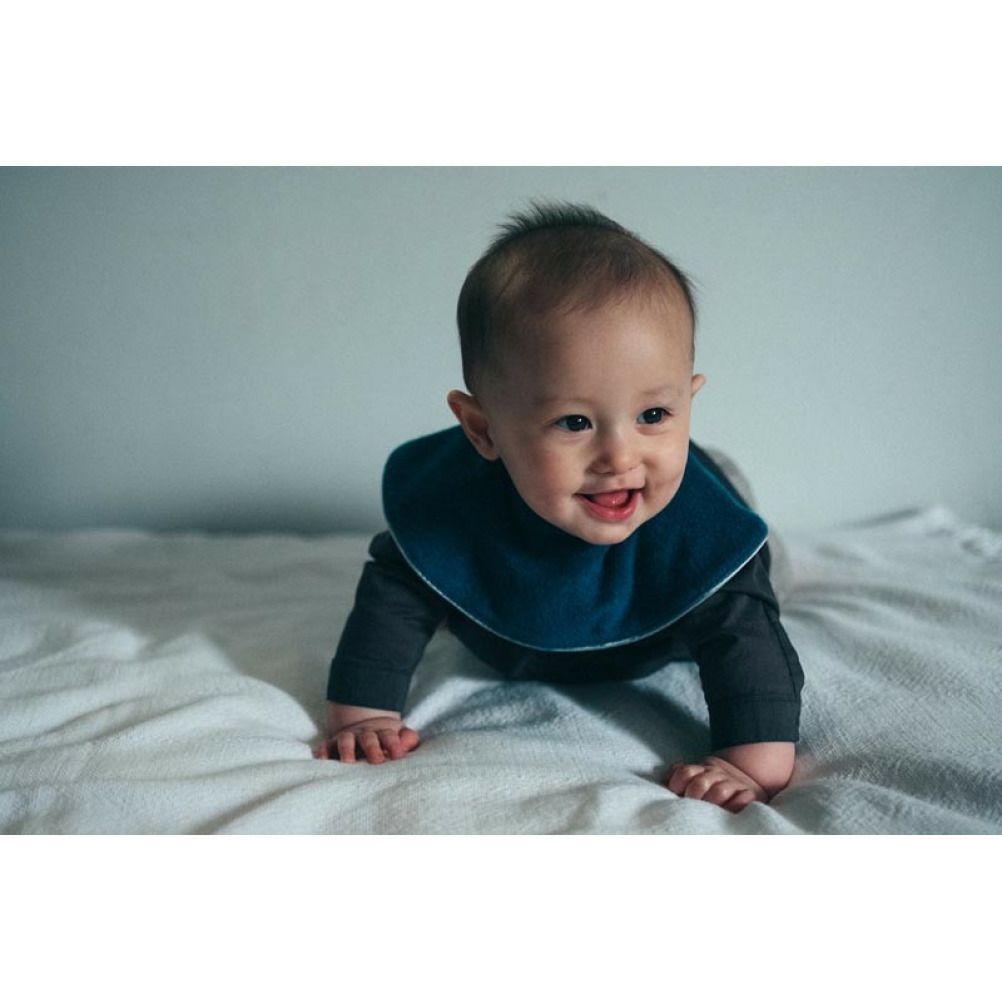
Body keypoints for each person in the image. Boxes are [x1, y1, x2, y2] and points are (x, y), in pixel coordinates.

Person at [316, 201, 805, 813]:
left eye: (654, 414)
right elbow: (391, 600)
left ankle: (720, 474)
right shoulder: (453, 511)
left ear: (689, 398)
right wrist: (364, 714)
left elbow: (746, 640)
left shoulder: (702, 537)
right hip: (517, 568)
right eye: (575, 422)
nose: (619, 455)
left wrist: (747, 761)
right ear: (482, 430)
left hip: (674, 582)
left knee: (756, 560)